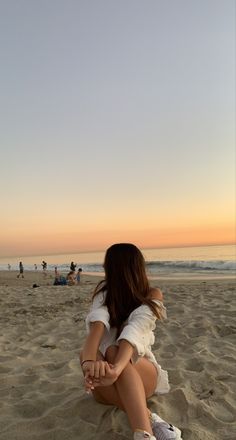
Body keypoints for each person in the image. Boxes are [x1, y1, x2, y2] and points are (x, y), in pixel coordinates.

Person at [80, 243, 182, 440]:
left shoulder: (152, 294)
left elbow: (133, 332)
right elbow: (96, 327)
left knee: (111, 350)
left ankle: (143, 434)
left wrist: (116, 368)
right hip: (107, 384)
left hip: (142, 375)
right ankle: (153, 420)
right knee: (88, 354)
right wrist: (88, 365)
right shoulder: (104, 295)